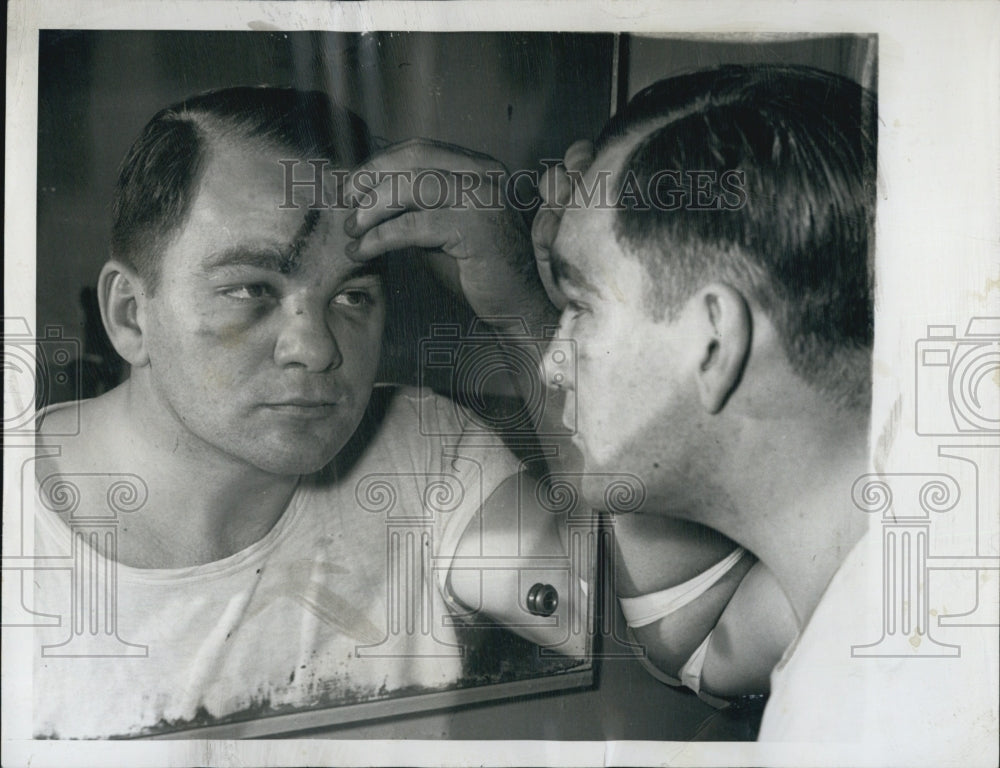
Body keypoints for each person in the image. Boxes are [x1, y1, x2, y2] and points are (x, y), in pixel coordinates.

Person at [30, 86, 576, 739]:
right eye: (253, 289)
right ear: (129, 315)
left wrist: (526, 315)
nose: (316, 350)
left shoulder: (421, 455)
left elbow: (651, 622)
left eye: (352, 297)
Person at [530, 63, 877, 730]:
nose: (550, 365)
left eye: (580, 310)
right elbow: (699, 643)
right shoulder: (913, 547)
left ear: (714, 342)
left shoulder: (860, 714)